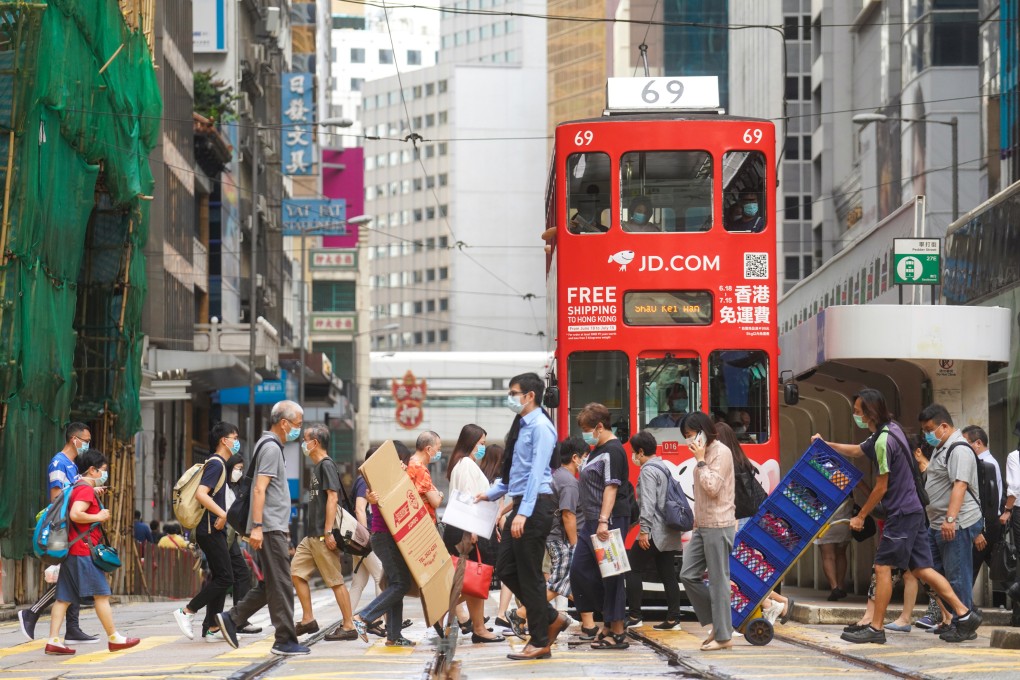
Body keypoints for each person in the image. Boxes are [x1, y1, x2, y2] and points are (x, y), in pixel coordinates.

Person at [815, 390, 982, 645]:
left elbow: (882, 486)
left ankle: (876, 627)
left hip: (902, 512)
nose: (855, 416)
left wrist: (861, 515)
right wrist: (826, 445)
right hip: (913, 510)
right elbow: (858, 451)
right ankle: (965, 613)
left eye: (858, 411)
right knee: (922, 569)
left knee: (883, 567)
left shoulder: (884, 440)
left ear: (870, 412)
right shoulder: (890, 430)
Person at [477, 372, 566, 661]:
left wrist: (522, 513)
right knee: (505, 568)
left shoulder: (541, 426)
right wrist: (488, 494)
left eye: (513, 393)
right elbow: (515, 473)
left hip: (535, 504)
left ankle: (540, 639)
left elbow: (537, 472)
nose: (510, 398)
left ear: (530, 396)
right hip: (525, 504)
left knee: (529, 575)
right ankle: (551, 617)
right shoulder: (522, 426)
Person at [216, 400, 309, 656]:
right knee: (281, 584)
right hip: (268, 528)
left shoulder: (270, 445)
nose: (298, 430)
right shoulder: (270, 448)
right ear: (284, 423)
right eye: (297, 425)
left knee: (271, 584)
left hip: (271, 526)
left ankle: (232, 619)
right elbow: (259, 489)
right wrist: (257, 526)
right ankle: (285, 640)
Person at [43, 448, 140, 655]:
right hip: (83, 551)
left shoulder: (76, 486)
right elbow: (76, 514)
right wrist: (99, 516)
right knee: (102, 595)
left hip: (72, 550)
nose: (104, 474)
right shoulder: (85, 489)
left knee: (64, 598)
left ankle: (53, 641)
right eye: (102, 470)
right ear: (92, 470)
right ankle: (114, 638)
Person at [19, 422, 99, 643]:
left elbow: (72, 493)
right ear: (74, 439)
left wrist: (88, 489)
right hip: (61, 529)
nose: (87, 445)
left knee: (71, 576)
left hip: (71, 528)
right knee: (70, 576)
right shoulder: (58, 463)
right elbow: (57, 498)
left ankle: (71, 627)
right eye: (86, 441)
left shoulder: (72, 465)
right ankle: (33, 613)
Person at [569, 402, 633, 650]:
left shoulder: (614, 451)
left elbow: (612, 487)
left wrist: (604, 520)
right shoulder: (597, 450)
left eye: (587, 429)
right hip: (592, 521)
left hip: (609, 520)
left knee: (612, 574)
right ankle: (608, 620)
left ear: (599, 426)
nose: (585, 434)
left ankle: (616, 629)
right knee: (580, 571)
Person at [918, 404, 985, 634]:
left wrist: (950, 519)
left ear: (944, 426)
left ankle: (963, 624)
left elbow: (960, 485)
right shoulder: (942, 447)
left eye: (929, 429)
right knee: (933, 572)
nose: (926, 434)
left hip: (956, 523)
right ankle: (961, 617)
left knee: (957, 577)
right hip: (937, 523)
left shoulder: (959, 449)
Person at [173, 422, 241, 642]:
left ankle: (211, 627)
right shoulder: (217, 464)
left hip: (213, 528)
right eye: (235, 437)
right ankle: (187, 612)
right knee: (226, 577)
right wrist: (222, 514)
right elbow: (202, 494)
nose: (237, 441)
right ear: (224, 440)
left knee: (221, 576)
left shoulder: (219, 463)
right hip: (209, 528)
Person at [290, 423, 358, 641]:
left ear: (315, 443)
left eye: (305, 440)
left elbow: (333, 497)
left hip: (322, 534)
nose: (303, 444)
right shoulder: (317, 467)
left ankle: (349, 626)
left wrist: (328, 532)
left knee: (335, 580)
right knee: (296, 572)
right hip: (312, 536)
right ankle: (308, 618)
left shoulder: (326, 465)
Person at [678, 412, 736, 651]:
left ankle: (723, 637)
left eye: (690, 435)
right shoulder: (705, 453)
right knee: (687, 574)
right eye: (686, 437)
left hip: (719, 523)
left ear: (702, 431)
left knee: (718, 580)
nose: (688, 441)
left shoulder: (721, 452)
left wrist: (701, 461)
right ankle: (717, 622)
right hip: (702, 525)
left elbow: (712, 488)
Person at [351, 444, 418, 648]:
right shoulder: (383, 479)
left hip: (388, 538)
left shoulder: (392, 478)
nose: (405, 464)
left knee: (395, 584)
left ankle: (393, 635)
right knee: (400, 584)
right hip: (385, 538)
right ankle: (364, 617)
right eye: (403, 460)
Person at [444, 424, 505, 643]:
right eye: (481, 443)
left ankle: (478, 627)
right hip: (468, 529)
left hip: (462, 528)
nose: (482, 448)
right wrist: (472, 531)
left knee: (471, 579)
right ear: (471, 442)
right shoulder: (467, 464)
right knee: (476, 577)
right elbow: (469, 497)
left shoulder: (460, 464)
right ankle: (446, 611)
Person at [625, 430, 684, 631]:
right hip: (669, 531)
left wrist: (644, 531)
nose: (634, 457)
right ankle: (673, 618)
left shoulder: (648, 470)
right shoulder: (663, 467)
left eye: (634, 452)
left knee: (632, 568)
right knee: (667, 573)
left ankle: (634, 616)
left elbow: (648, 504)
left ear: (641, 452)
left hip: (655, 531)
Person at [347, 447, 385, 627]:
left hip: (359, 539)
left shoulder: (364, 480)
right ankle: (379, 620)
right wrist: (366, 537)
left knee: (358, 583)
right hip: (365, 538)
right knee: (381, 577)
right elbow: (359, 509)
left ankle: (346, 623)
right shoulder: (364, 481)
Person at [961, 424, 1003, 582]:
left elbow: (986, 499)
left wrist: (979, 529)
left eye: (966, 443)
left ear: (977, 443)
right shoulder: (988, 463)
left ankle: (962, 606)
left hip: (984, 524)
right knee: (995, 565)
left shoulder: (985, 466)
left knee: (970, 567)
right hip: (989, 523)